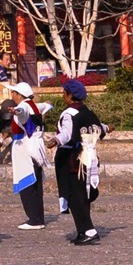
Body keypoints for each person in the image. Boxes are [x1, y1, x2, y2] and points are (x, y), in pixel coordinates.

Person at [47, 80, 107, 245]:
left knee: (75, 195)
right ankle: (83, 230)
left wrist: (55, 140)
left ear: (70, 95)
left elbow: (67, 133)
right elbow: (96, 127)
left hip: (72, 158)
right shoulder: (88, 112)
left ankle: (88, 230)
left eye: (64, 92)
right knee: (83, 194)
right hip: (89, 157)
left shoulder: (69, 113)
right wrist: (107, 128)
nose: (62, 95)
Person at [5, 81, 49, 229]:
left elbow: (22, 111)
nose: (12, 95)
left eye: (14, 93)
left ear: (19, 95)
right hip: (37, 146)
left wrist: (16, 111)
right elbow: (46, 106)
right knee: (36, 183)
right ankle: (38, 217)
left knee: (27, 182)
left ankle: (34, 219)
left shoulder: (23, 106)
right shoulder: (35, 105)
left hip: (25, 147)